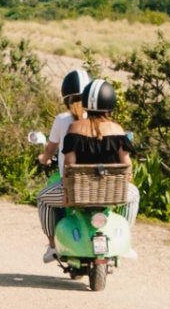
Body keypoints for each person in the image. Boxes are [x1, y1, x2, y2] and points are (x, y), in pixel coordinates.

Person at [48, 78, 140, 261]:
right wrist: (126, 176)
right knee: (134, 196)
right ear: (110, 103)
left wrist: (66, 192)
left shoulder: (74, 128)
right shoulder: (117, 130)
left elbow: (69, 165)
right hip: (111, 191)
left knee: (43, 200)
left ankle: (52, 246)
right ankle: (125, 241)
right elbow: (126, 163)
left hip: (79, 191)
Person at [36, 68, 91, 258]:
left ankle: (52, 245)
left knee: (42, 199)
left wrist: (44, 159)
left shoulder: (62, 120)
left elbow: (51, 149)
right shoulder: (99, 121)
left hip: (70, 187)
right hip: (99, 185)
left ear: (66, 97)